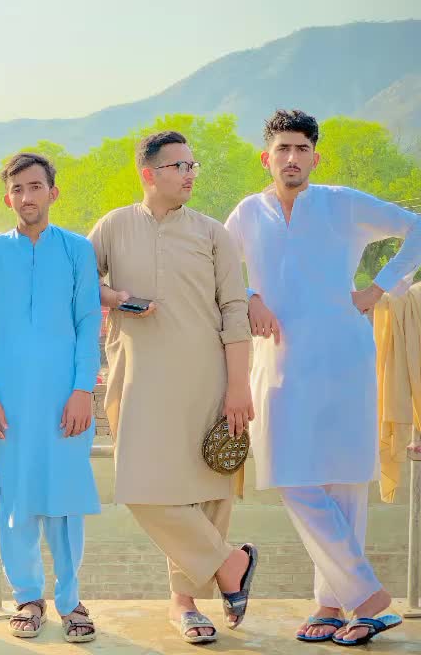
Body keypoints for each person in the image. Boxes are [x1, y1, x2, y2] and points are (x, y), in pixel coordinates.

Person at [225, 109, 421, 646]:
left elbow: (417, 228)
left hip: (344, 357)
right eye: (282, 149)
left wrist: (378, 289)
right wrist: (250, 295)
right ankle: (368, 595)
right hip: (278, 361)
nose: (292, 158)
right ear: (266, 158)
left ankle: (332, 606)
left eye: (302, 149)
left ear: (316, 157)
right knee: (287, 471)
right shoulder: (248, 213)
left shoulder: (343, 203)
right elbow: (219, 270)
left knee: (344, 481)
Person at [88, 130, 258, 644]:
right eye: (178, 166)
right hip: (136, 377)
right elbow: (77, 281)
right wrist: (116, 297)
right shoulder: (113, 226)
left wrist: (238, 385)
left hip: (207, 377)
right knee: (139, 487)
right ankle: (230, 564)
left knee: (207, 489)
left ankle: (186, 604)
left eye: (192, 165)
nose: (189, 175)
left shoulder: (213, 234)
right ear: (149, 173)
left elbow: (235, 310)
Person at [0, 152, 101, 642]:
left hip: (66, 398)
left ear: (53, 192)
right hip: (9, 400)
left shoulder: (77, 250)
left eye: (35, 187)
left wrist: (83, 389)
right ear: (7, 198)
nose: (27, 197)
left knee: (65, 499)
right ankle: (27, 596)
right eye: (17, 189)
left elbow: (88, 322)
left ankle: (70, 600)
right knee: (16, 497)